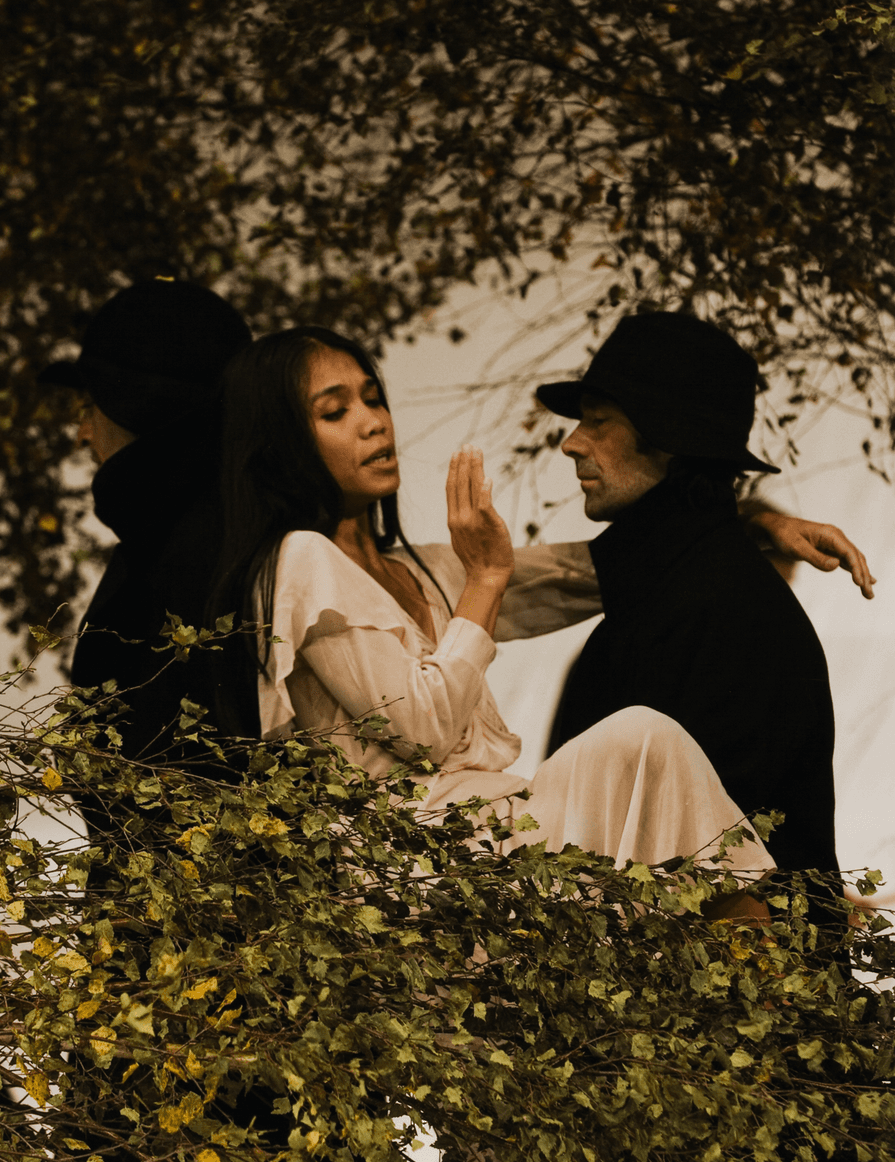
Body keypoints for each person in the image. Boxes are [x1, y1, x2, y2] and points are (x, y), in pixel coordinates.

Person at [209, 325, 868, 913]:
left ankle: (767, 962)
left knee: (645, 741)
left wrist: (752, 525)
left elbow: (601, 569)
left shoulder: (426, 569)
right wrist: (487, 580)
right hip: (410, 866)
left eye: (373, 398)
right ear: (283, 442)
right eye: (335, 411)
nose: (373, 422)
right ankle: (776, 976)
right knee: (641, 739)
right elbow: (422, 729)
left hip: (492, 824)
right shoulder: (299, 562)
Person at [539, 310, 865, 918]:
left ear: (669, 439)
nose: (572, 441)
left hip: (737, 1002)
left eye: (600, 421)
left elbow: (714, 877)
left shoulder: (730, 615)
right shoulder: (664, 597)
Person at [41, 279, 252, 832]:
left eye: (89, 405)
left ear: (136, 404)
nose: (81, 432)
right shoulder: (209, 532)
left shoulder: (185, 556)